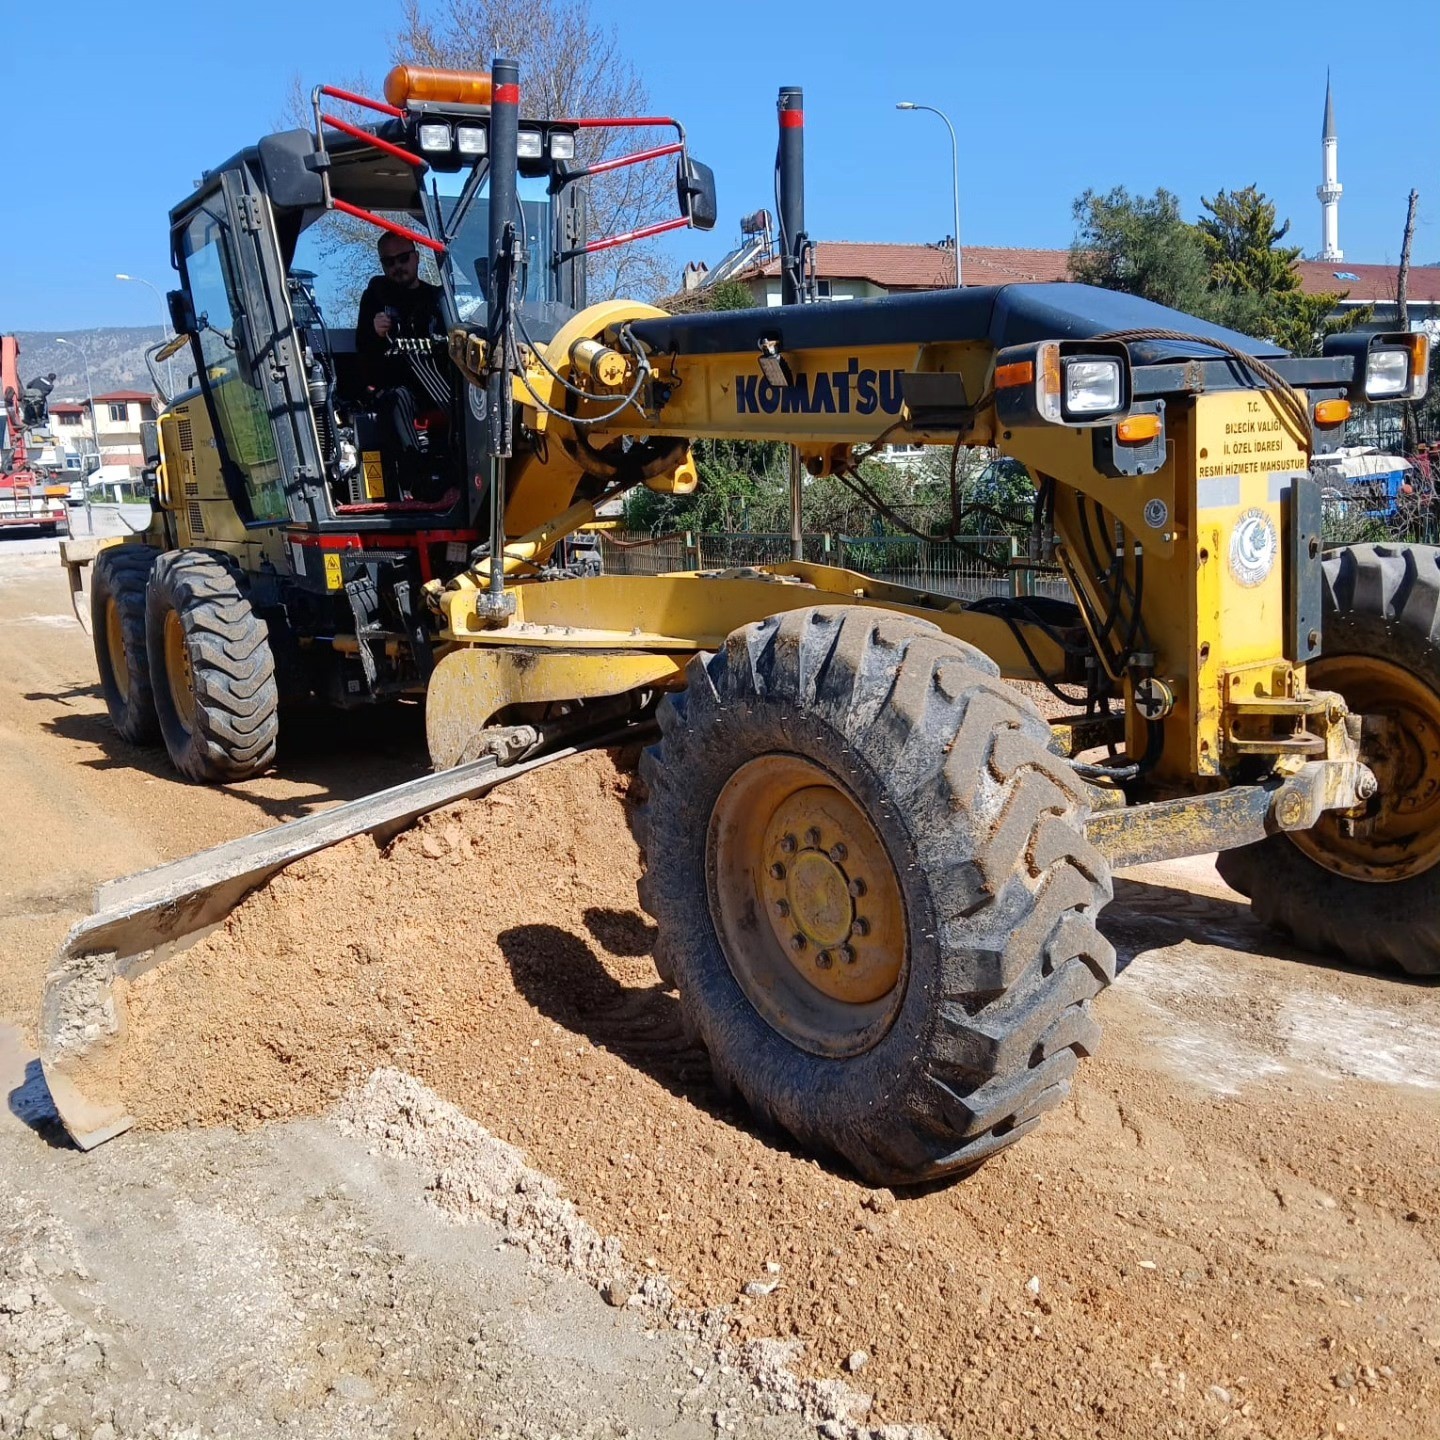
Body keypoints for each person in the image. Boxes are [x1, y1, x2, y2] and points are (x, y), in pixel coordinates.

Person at [356, 233, 452, 495]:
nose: (397, 266)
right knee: (396, 398)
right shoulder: (375, 298)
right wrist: (374, 333)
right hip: (398, 389)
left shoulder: (437, 299)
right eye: (389, 262)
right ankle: (416, 477)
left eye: (403, 258)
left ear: (417, 258)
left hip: (437, 387)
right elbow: (363, 354)